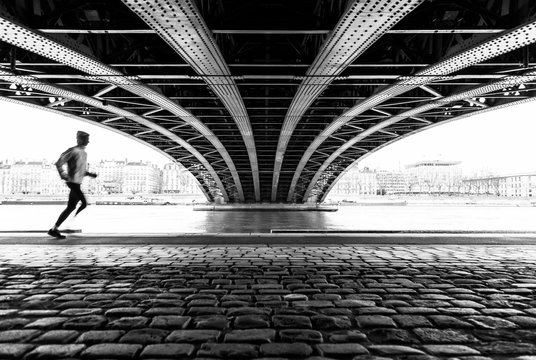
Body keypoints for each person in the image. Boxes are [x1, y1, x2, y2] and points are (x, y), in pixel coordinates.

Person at [48, 131, 97, 239]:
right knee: (84, 203)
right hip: (72, 183)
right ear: (79, 140)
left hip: (77, 183)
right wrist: (63, 175)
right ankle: (70, 225)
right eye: (86, 139)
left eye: (87, 139)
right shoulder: (73, 151)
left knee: (71, 207)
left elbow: (81, 171)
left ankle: (54, 229)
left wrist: (89, 174)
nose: (88, 141)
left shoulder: (84, 153)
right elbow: (59, 163)